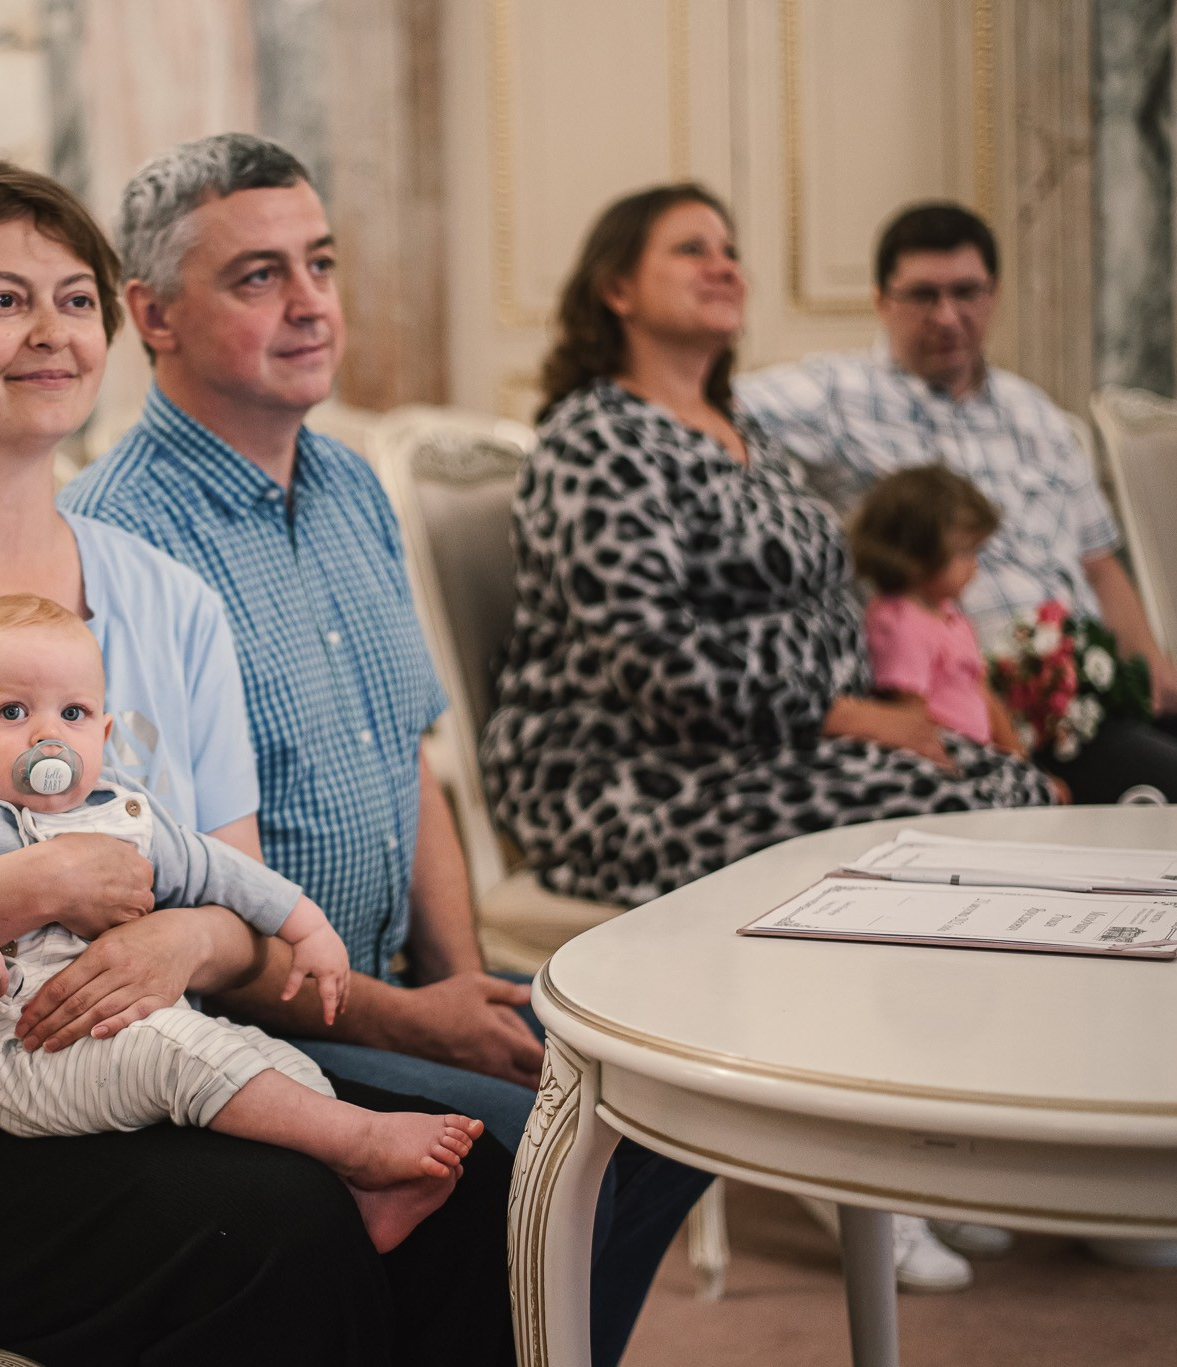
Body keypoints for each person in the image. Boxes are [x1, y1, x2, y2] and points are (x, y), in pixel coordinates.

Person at [0, 159, 515, 1366]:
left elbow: (233, 907)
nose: (49, 332)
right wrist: (29, 889)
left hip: (126, 1075)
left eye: (74, 299)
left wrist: (183, 938)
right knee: (273, 1224)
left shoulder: (165, 597)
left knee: (474, 1174)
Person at [62, 132, 705, 1367]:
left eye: (320, 263)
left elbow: (409, 762)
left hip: (390, 981)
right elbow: (162, 896)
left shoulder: (352, 483)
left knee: (667, 1118)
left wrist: (463, 987)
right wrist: (417, 1022)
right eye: (257, 277)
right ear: (151, 313)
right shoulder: (113, 545)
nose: (310, 305)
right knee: (528, 1149)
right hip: (237, 1024)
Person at [478, 182, 1057, 1293]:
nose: (724, 263)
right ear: (614, 286)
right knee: (931, 813)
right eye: (689, 248)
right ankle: (857, 1152)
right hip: (619, 773)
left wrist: (855, 701)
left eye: (731, 247)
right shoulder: (593, 437)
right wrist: (839, 708)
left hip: (752, 751)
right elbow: (656, 660)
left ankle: (937, 1129)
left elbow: (838, 615)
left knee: (1006, 790)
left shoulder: (743, 438)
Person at [0, 592, 482, 1252]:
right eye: (12, 711)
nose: (44, 733)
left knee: (272, 1059)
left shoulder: (126, 812)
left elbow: (219, 868)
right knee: (180, 1053)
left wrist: (304, 923)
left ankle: (358, 1190)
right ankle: (362, 1143)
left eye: (73, 712)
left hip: (145, 1030)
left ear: (103, 736)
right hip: (32, 1057)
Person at [739, 201, 1177, 805]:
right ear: (881, 301)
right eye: (923, 295)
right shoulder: (836, 394)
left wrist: (1148, 662)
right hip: (993, 704)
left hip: (1096, 678)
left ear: (994, 294)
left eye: (966, 292)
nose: (948, 316)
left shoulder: (1036, 414)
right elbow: (705, 406)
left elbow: (1098, 563)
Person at [848, 465, 1028, 754]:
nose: (974, 565)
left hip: (979, 754)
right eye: (964, 552)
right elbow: (909, 714)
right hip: (944, 757)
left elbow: (983, 694)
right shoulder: (899, 622)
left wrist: (1021, 761)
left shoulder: (949, 615)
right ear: (914, 556)